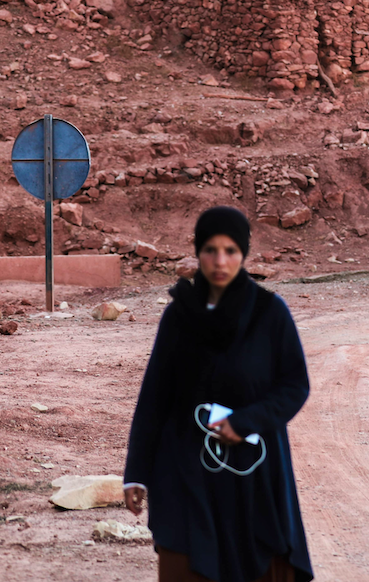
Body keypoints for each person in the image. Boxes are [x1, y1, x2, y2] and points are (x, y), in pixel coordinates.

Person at [124, 207, 314, 582]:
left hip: (253, 473)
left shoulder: (269, 313)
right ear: (198, 252)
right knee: (187, 562)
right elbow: (155, 397)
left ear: (243, 254)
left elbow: (295, 385)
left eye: (230, 250)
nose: (220, 261)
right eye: (210, 250)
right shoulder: (179, 317)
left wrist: (245, 422)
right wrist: (136, 473)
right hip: (185, 470)